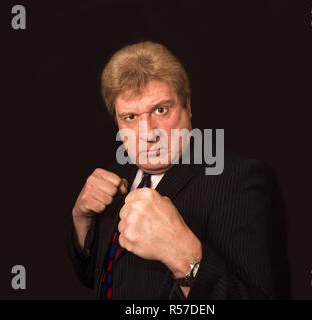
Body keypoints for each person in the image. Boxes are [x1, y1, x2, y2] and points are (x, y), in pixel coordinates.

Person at [67, 41, 289, 299]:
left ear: (188, 106)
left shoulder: (239, 179)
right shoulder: (117, 175)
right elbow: (96, 276)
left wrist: (183, 257)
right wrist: (80, 219)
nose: (148, 134)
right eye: (130, 117)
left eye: (161, 110)